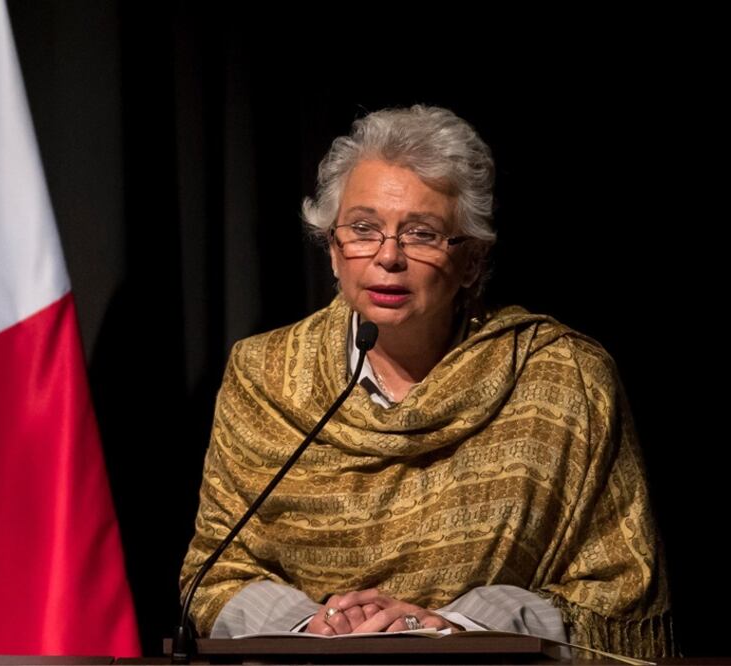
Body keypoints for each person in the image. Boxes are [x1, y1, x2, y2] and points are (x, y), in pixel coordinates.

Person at [178, 105, 673, 659]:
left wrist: (457, 627)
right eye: (363, 229)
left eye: (422, 233)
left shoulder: (563, 377)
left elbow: (618, 590)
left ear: (471, 260)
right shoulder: (262, 374)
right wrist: (313, 628)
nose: (388, 256)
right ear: (333, 248)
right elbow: (217, 571)